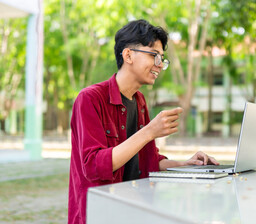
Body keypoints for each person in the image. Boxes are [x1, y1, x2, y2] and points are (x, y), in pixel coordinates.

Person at [68, 19, 219, 224]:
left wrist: (186, 163)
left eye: (162, 59)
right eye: (154, 55)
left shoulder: (139, 101)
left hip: (134, 213)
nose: (159, 65)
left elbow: (147, 162)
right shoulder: (90, 99)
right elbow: (94, 166)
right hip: (100, 215)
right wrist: (149, 131)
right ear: (128, 55)